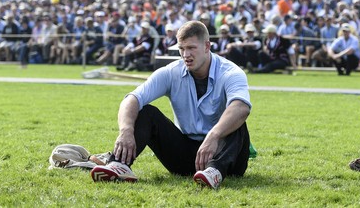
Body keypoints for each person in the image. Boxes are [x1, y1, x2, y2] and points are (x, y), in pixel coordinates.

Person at [91, 20, 251, 189]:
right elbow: (132, 99)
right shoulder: (171, 72)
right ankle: (120, 165)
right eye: (181, 49)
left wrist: (214, 136)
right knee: (145, 112)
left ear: (207, 46)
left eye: (191, 48)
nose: (185, 54)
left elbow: (241, 107)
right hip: (187, 156)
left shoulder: (231, 72)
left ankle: (215, 171)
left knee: (236, 118)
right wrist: (126, 131)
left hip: (227, 157)